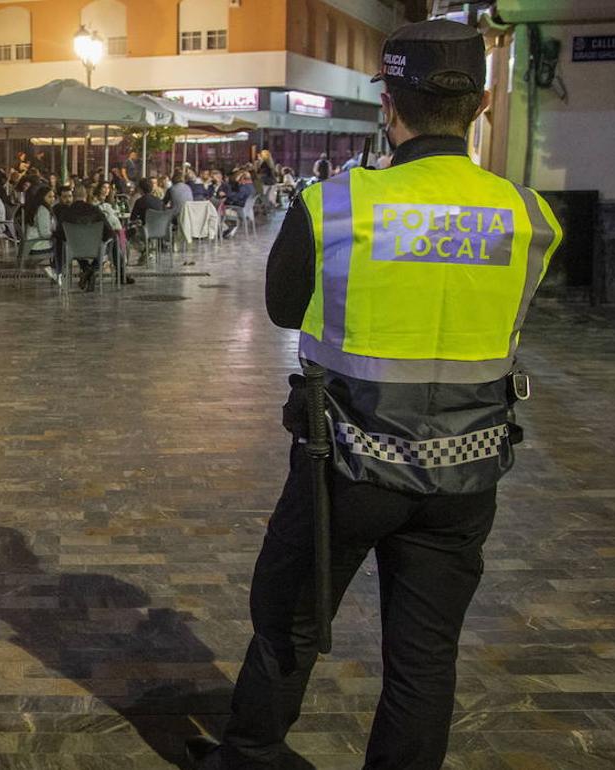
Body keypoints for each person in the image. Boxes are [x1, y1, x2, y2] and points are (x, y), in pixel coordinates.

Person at [199, 20, 563, 770]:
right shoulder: (530, 220)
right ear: (484, 103)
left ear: (387, 106)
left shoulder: (336, 207)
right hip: (466, 475)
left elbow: (279, 307)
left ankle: (251, 756)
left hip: (347, 467)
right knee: (425, 657)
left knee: (288, 621)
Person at [51, 183, 114, 292]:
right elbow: (109, 232)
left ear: (73, 197)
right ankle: (91, 269)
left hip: (73, 249)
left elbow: (59, 234)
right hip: (95, 249)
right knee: (109, 243)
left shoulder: (66, 212)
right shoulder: (95, 210)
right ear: (86, 196)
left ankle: (86, 270)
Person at [23, 185, 56, 274]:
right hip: (37, 245)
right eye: (49, 196)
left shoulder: (37, 207)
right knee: (63, 248)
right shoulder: (43, 210)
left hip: (30, 244)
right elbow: (44, 233)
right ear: (42, 197)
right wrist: (55, 235)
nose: (52, 199)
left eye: (53, 196)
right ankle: (57, 273)